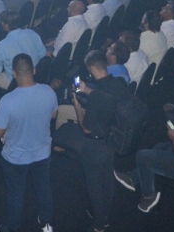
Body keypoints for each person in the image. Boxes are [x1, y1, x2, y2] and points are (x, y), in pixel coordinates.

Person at [53, 50, 129, 232]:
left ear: (92, 68)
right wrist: (87, 89)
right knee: (108, 177)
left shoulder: (96, 98)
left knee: (94, 186)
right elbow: (106, 95)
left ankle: (99, 224)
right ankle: (105, 212)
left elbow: (86, 127)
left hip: (95, 145)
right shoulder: (119, 83)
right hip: (113, 139)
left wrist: (78, 106)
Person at [0, 53, 58, 232]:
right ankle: (46, 223)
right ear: (34, 70)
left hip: (15, 158)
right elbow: (54, 116)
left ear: (14, 73)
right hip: (43, 153)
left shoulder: (7, 101)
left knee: (16, 195)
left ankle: (13, 228)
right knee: (44, 189)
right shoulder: (48, 91)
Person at [0, 11, 45, 95]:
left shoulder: (2, 45)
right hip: (35, 75)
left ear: (6, 25)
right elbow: (43, 54)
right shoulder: (31, 33)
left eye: (2, 23)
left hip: (15, 82)